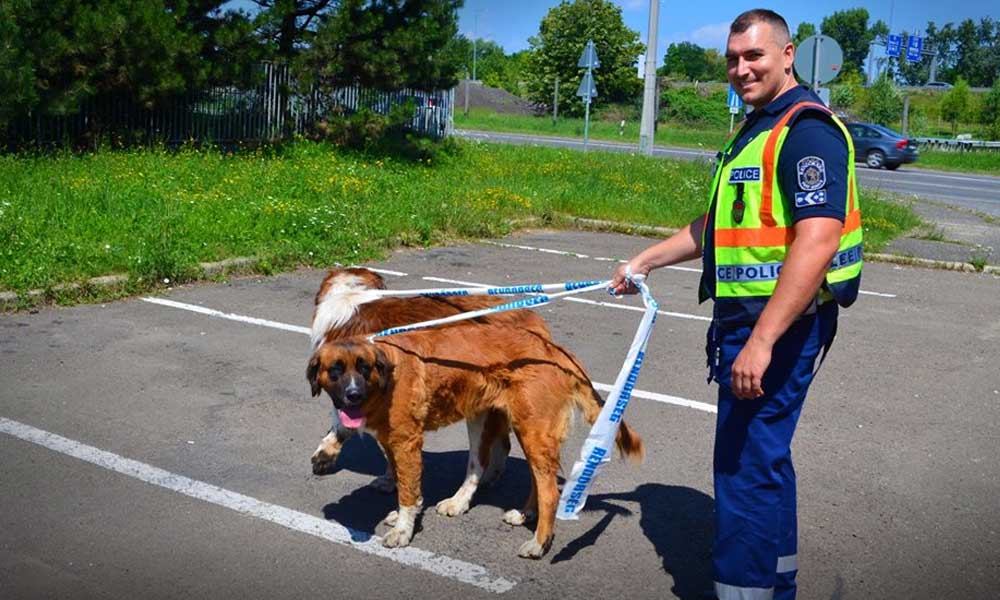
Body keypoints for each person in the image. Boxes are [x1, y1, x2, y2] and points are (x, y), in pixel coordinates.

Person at [610, 9, 862, 600]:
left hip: (780, 326)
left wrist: (762, 341)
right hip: (753, 321)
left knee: (744, 467)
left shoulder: (806, 130)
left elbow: (818, 240)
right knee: (763, 460)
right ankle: (777, 583)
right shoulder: (756, 129)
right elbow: (719, 225)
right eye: (732, 58)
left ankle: (746, 591)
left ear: (787, 55)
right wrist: (645, 260)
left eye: (754, 56)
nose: (741, 68)